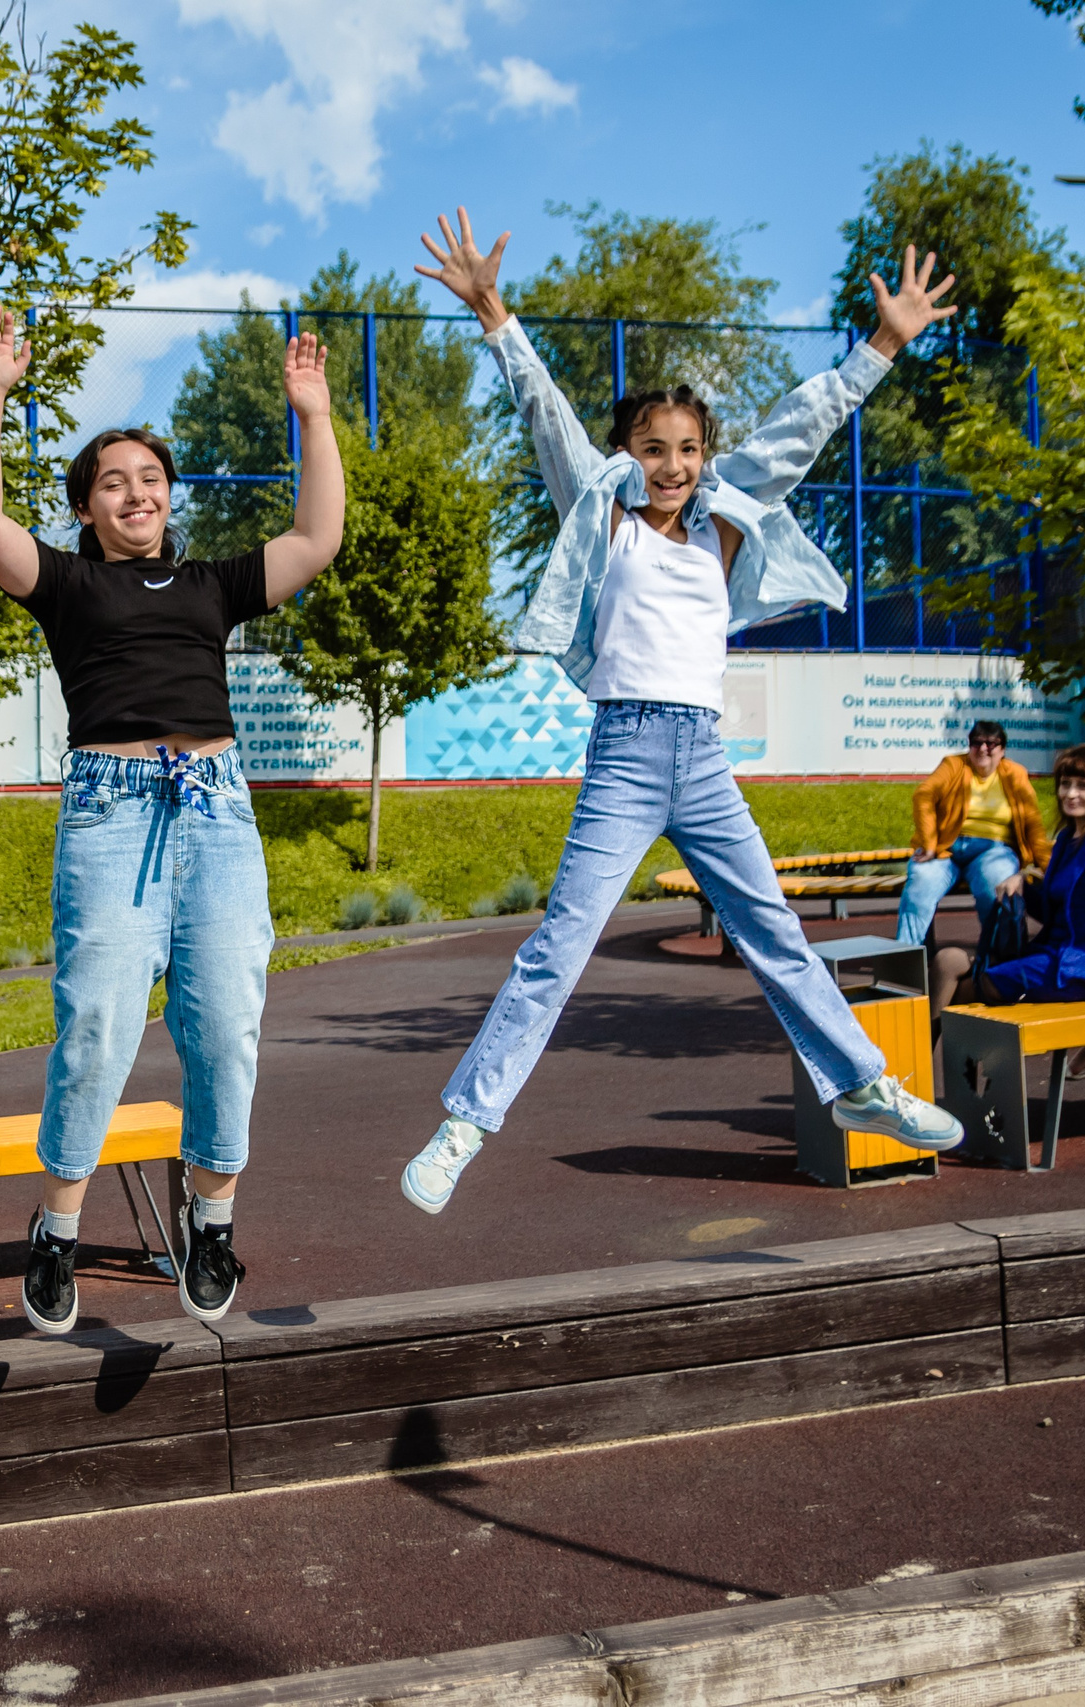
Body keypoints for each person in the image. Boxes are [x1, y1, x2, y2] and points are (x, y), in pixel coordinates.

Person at [398, 210, 964, 1216]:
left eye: (688, 449)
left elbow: (805, 422)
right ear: (624, 454)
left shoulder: (726, 524)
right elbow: (544, 414)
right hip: (622, 752)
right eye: (652, 448)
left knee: (773, 931)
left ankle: (863, 1087)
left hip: (699, 757)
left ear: (707, 456)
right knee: (558, 947)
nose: (671, 465)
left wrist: (881, 345)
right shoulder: (604, 513)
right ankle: (462, 1126)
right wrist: (492, 313)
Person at [0, 305, 345, 1337]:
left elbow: (317, 537)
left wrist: (312, 415)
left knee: (224, 1026)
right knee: (95, 1029)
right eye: (112, 482)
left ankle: (209, 1217)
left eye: (149, 477)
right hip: (111, 817)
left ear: (170, 497)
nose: (136, 491)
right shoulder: (72, 586)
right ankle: (56, 1230)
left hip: (216, 814)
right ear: (86, 510)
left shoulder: (212, 586)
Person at [929, 746, 1085, 1029]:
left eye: (1083, 785)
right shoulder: (1067, 837)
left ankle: (927, 1064)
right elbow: (1055, 913)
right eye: (1065, 784)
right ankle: (929, 1062)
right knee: (947, 961)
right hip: (1052, 956)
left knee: (969, 988)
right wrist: (1023, 886)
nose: (1071, 793)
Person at [895, 721, 1048, 946]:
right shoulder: (954, 764)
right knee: (920, 886)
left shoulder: (1015, 774)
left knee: (996, 886)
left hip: (994, 849)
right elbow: (924, 795)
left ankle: (998, 959)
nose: (983, 748)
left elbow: (1032, 821)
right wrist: (929, 843)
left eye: (991, 744)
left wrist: (1047, 864)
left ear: (1002, 750)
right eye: (976, 743)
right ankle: (906, 957)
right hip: (946, 848)